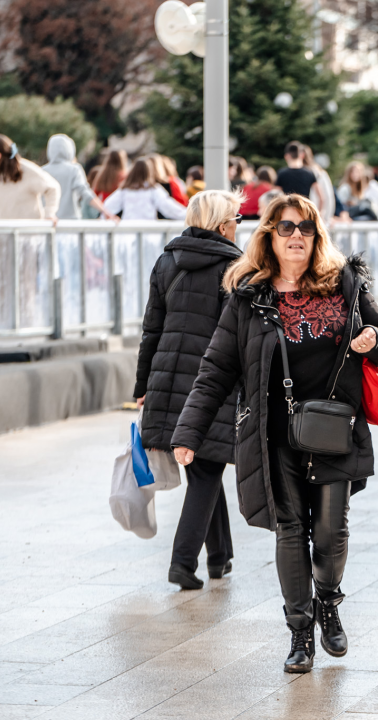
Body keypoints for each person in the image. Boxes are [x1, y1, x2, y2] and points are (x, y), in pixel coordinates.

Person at [171, 194, 378, 674]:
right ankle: (299, 633)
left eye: (305, 228)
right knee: (290, 530)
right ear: (269, 235)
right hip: (273, 434)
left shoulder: (346, 285)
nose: (296, 235)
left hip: (334, 430)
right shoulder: (248, 297)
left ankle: (328, 601)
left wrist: (374, 340)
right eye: (286, 227)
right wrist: (188, 432)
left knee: (331, 532)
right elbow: (215, 370)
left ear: (317, 236)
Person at [135, 189, 245, 590]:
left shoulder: (168, 260)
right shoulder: (234, 268)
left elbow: (151, 329)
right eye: (236, 219)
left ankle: (220, 556)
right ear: (222, 225)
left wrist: (143, 385)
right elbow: (237, 338)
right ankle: (182, 563)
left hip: (167, 379)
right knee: (206, 470)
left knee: (204, 465)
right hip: (209, 384)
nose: (239, 227)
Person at [42, 134, 115, 221]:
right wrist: (105, 211)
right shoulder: (74, 169)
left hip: (48, 221)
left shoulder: (42, 171)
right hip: (71, 220)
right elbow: (85, 193)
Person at [102, 158, 187, 221]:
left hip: (129, 230)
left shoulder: (124, 190)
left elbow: (108, 205)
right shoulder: (153, 189)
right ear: (149, 172)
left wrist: (105, 217)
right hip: (148, 230)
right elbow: (168, 206)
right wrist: (186, 215)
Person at [276, 142, 321, 214]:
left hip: (287, 212)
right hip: (305, 211)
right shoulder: (309, 173)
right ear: (302, 155)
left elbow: (275, 195)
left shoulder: (281, 173)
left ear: (286, 156)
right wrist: (318, 213)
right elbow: (321, 197)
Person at [302, 144, 335, 225]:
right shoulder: (320, 171)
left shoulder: (315, 172)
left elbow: (324, 196)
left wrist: (324, 216)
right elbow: (329, 195)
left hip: (313, 213)